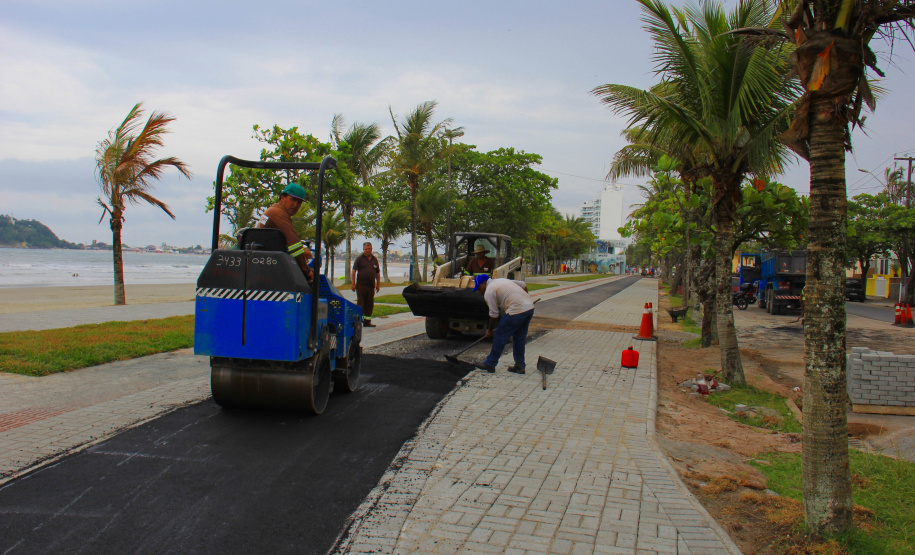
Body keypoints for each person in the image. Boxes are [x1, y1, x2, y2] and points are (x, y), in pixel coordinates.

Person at [472, 274, 534, 374]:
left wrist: (490, 330)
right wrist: (525, 300)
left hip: (516, 310)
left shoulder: (489, 291)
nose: (479, 291)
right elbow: (523, 284)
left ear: (484, 283)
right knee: (519, 337)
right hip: (529, 308)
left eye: (479, 288)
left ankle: (490, 363)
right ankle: (520, 366)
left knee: (500, 335)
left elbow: (494, 314)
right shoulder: (500, 281)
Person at [256, 182, 314, 281]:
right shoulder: (278, 213)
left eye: (299, 202)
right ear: (282, 198)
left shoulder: (273, 210)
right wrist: (307, 271)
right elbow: (294, 246)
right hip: (269, 267)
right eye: (293, 200)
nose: (295, 205)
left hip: (265, 262)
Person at [351, 241, 381, 327]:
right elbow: (353, 271)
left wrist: (378, 284)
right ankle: (358, 322)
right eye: (365, 249)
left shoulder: (374, 260)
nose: (367, 250)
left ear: (371, 249)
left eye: (369, 249)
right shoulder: (359, 259)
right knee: (361, 304)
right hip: (361, 286)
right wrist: (353, 284)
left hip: (371, 287)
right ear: (363, 249)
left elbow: (377, 273)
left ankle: (367, 322)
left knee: (369, 304)